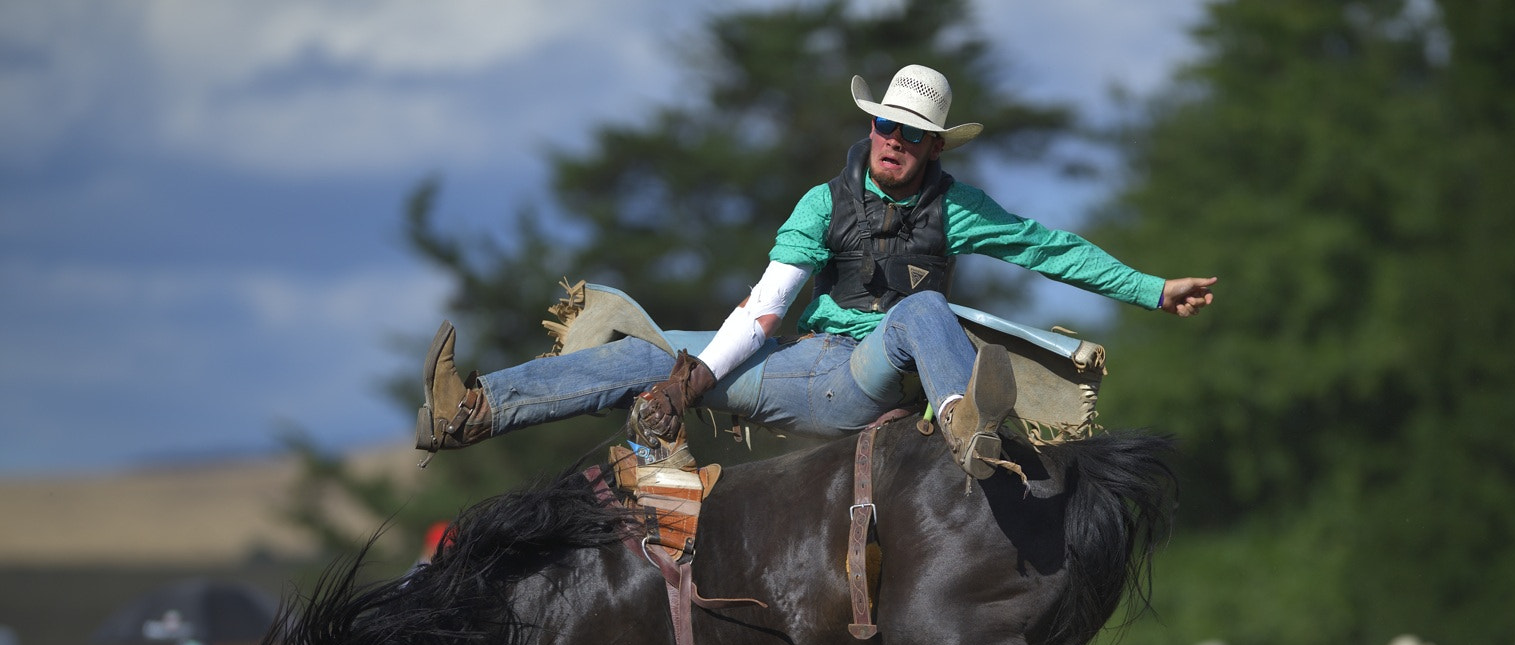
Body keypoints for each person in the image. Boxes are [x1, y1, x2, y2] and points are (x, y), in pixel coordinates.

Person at [415, 63, 1217, 479]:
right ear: (869, 125)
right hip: (804, 370)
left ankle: (963, 435)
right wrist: (688, 381)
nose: (892, 139)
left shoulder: (961, 208)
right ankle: (473, 413)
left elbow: (1052, 249)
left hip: (883, 374)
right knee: (642, 353)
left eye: (910, 132)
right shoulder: (818, 205)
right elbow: (765, 310)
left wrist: (1151, 289)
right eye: (883, 124)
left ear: (936, 145)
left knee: (919, 312)